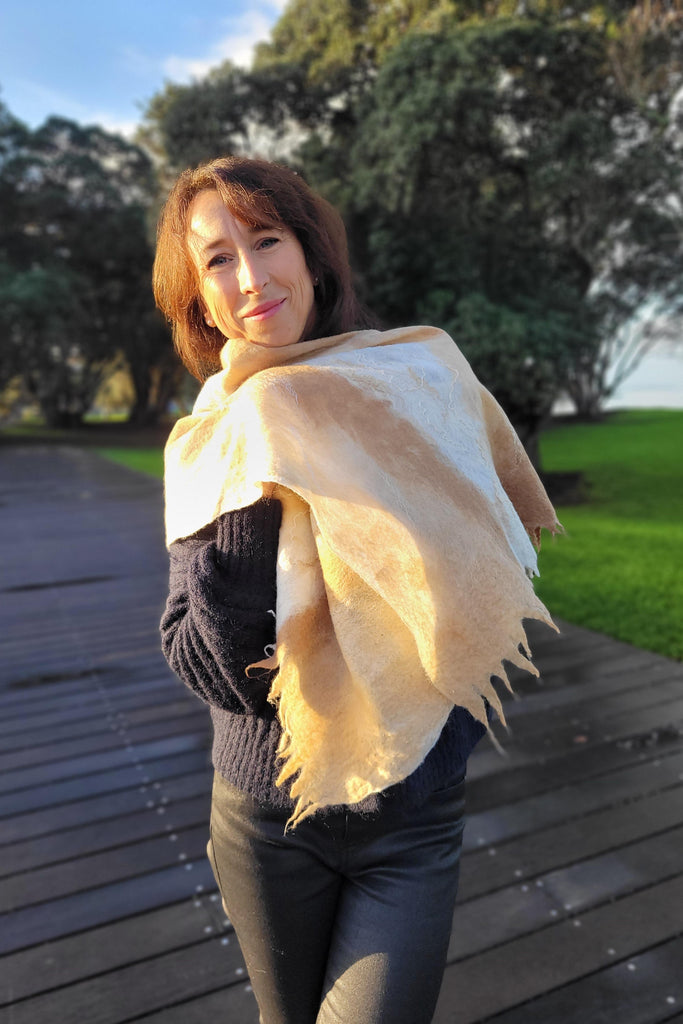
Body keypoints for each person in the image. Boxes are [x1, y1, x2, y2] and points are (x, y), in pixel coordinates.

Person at [155, 156, 559, 1024]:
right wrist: (258, 472)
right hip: (266, 821)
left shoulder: (416, 376)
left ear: (311, 254)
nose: (251, 276)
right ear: (200, 301)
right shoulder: (212, 436)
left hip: (413, 815)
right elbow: (205, 662)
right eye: (218, 258)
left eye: (267, 240)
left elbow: (484, 565)